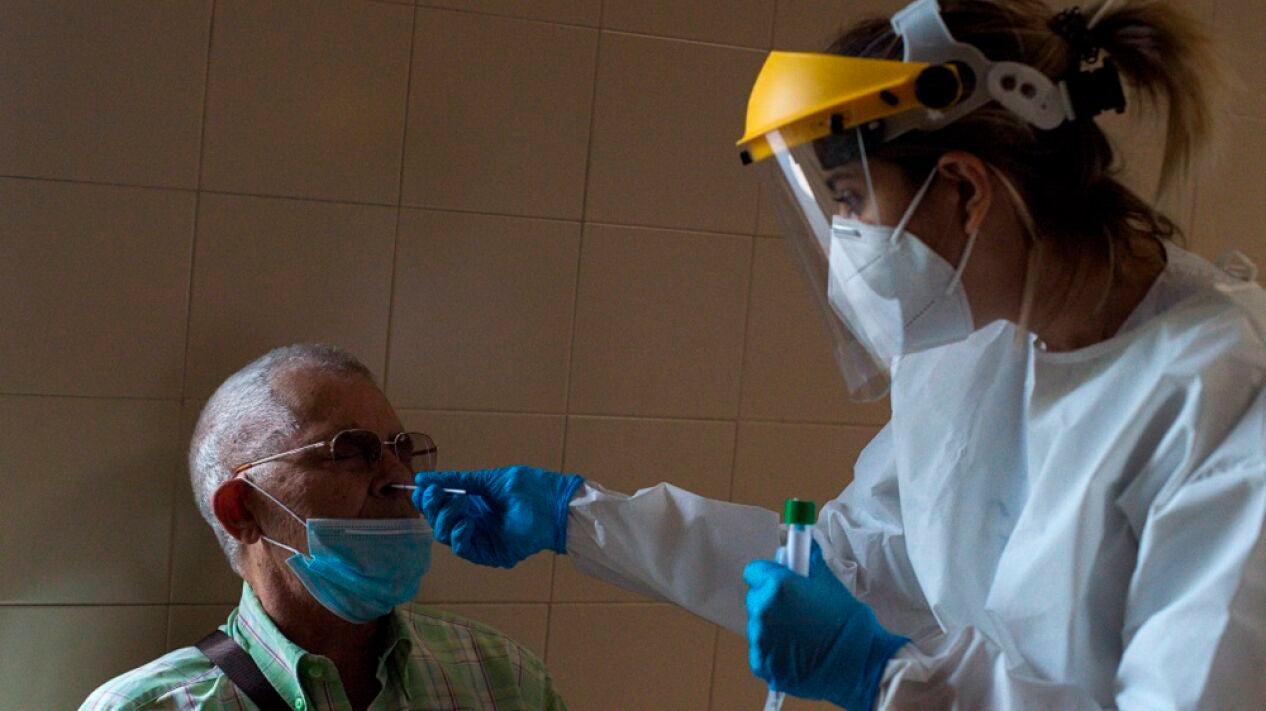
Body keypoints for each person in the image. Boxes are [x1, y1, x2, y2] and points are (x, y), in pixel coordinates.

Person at [412, 0, 1266, 708]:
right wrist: (581, 518)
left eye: (852, 200)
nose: (846, 241)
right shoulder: (981, 348)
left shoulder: (1224, 395)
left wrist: (884, 677)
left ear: (964, 189)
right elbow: (852, 563)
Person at [81, 344, 565, 711]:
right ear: (242, 511)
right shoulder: (147, 707)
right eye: (351, 452)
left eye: (402, 450)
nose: (400, 478)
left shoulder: (503, 680)